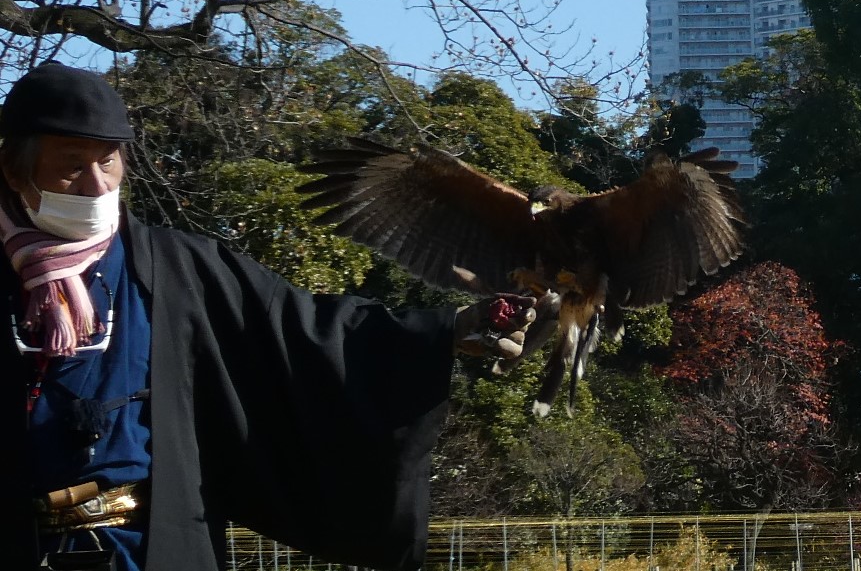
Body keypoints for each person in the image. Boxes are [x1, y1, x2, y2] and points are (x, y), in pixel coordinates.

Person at [0, 62, 547, 571]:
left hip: (151, 547)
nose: (98, 186)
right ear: (13, 167)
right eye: (73, 166)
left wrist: (447, 332)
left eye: (109, 160)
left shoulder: (178, 266)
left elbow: (305, 330)